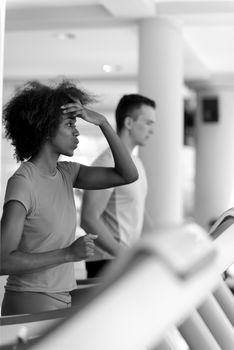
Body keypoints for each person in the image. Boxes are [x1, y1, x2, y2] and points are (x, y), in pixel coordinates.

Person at [0, 80, 138, 315]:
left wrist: (102, 122)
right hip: (29, 300)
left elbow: (127, 174)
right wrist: (68, 254)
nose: (76, 131)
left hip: (60, 297)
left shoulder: (67, 173)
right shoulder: (23, 183)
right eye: (70, 123)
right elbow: (3, 261)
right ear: (45, 127)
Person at [80, 94, 156, 278]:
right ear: (129, 123)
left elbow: (138, 208)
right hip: (107, 262)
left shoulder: (136, 161)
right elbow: (89, 218)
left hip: (125, 260)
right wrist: (125, 256)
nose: (152, 130)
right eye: (148, 123)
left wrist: (156, 247)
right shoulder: (107, 162)